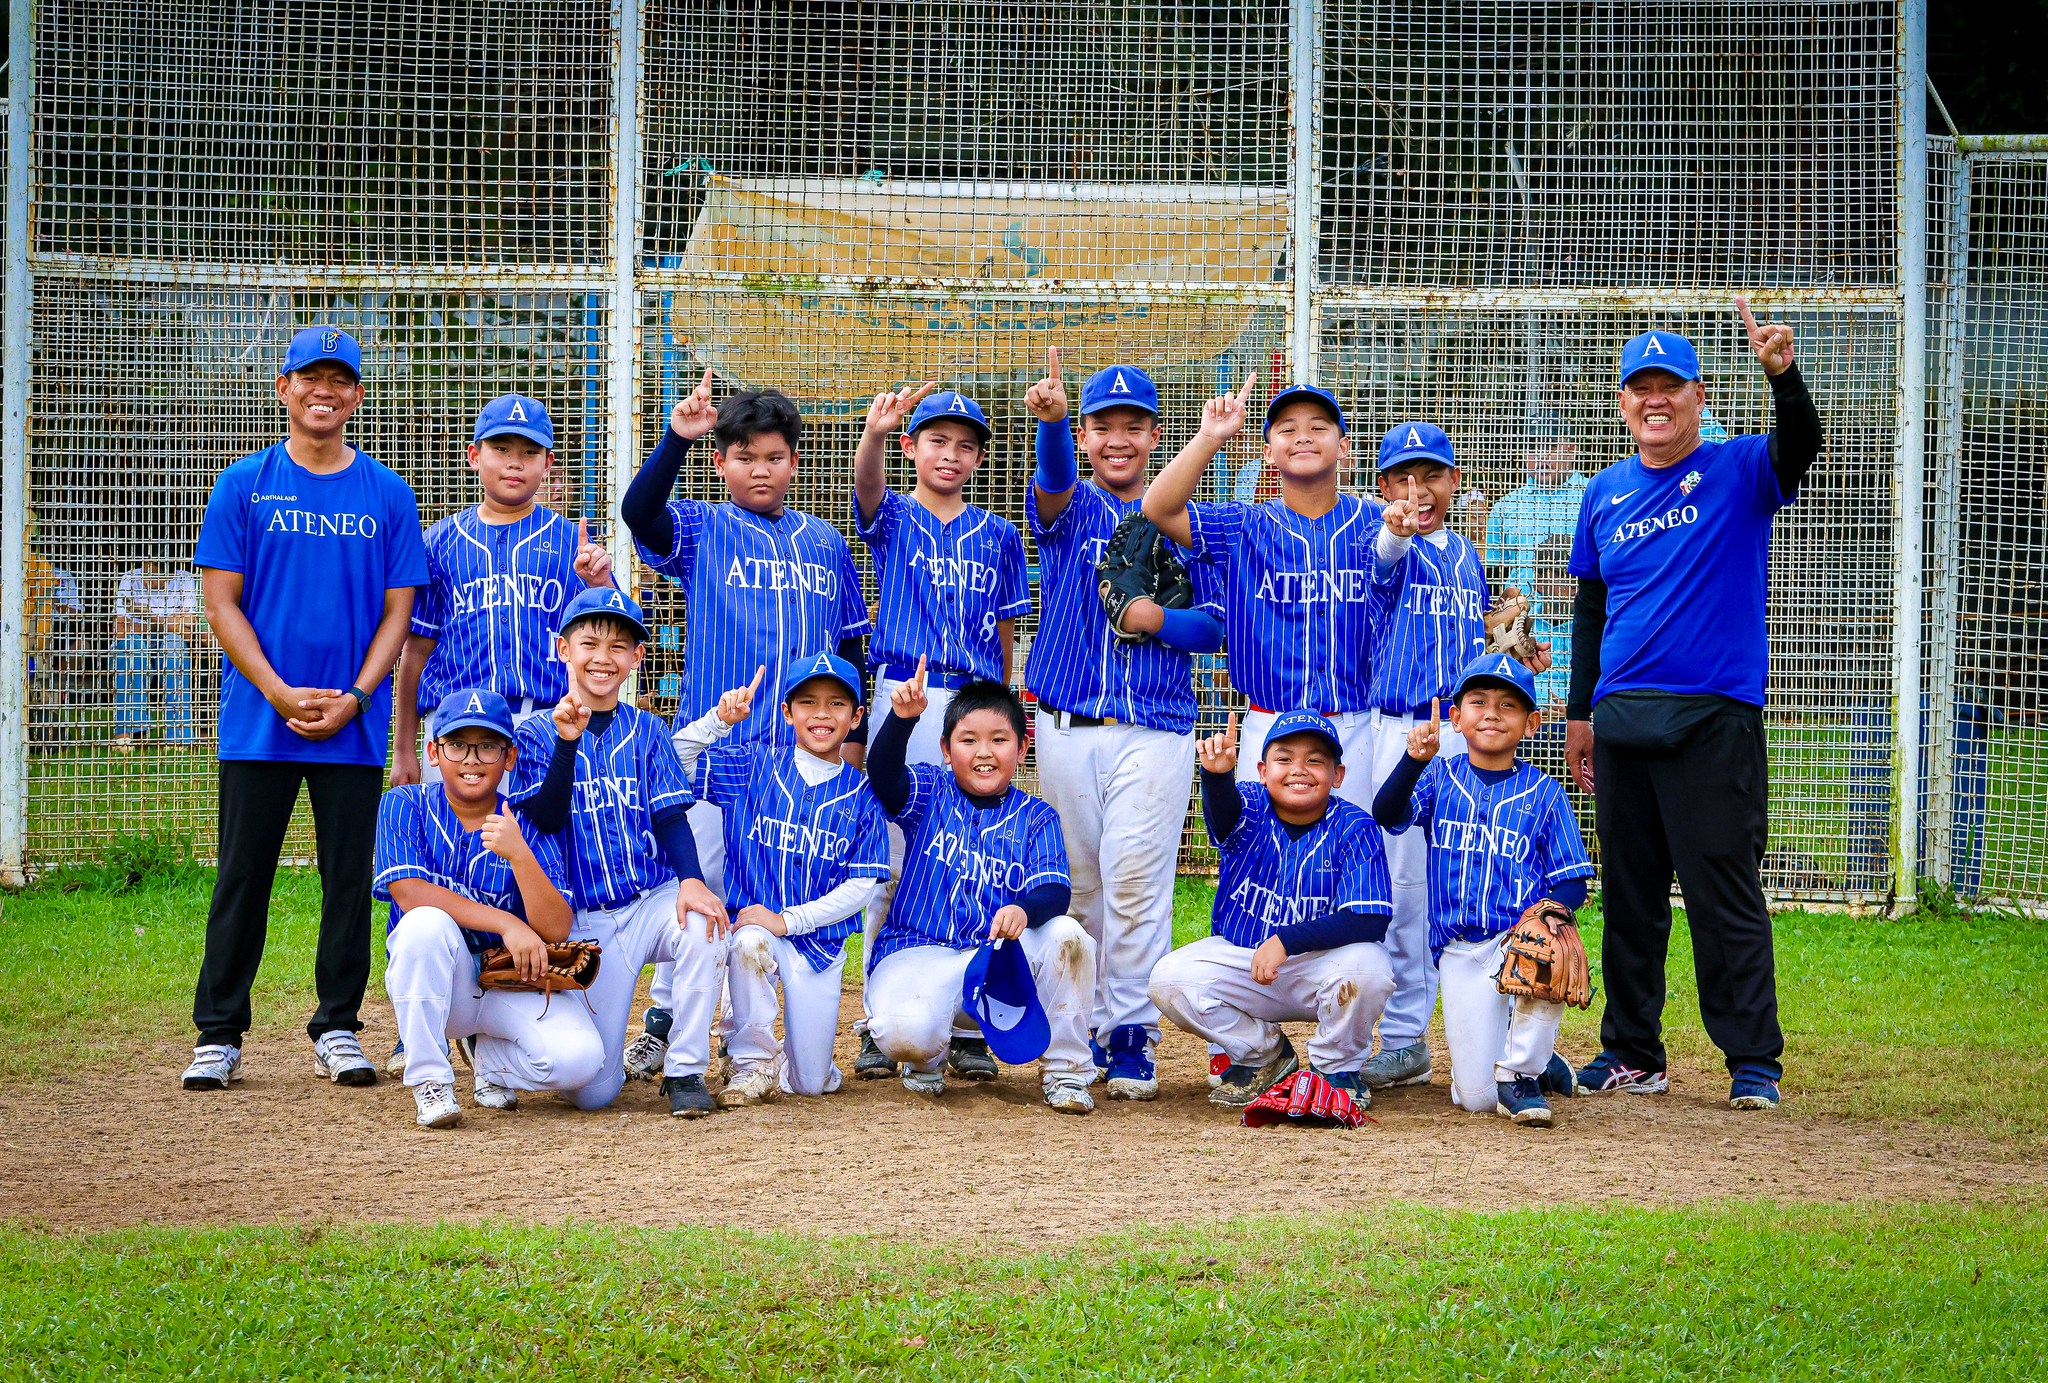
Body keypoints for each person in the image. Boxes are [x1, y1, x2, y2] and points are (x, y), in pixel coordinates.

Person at [1564, 301, 1821, 1111]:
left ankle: (1753, 1060)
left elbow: (1800, 446)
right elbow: (1591, 609)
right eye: (1640, 387)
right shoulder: (1603, 493)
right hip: (1622, 722)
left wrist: (1783, 377)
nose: (1655, 400)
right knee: (1629, 899)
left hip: (1714, 717)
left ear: (1698, 396)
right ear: (1622, 403)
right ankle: (1632, 1051)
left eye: (1670, 386)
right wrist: (1579, 714)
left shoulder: (1739, 468)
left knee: (1722, 893)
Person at [182, 327, 427, 1093]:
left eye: (340, 379)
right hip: (261, 720)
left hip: (352, 725)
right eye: (310, 377)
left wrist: (357, 696)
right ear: (284, 387)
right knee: (242, 876)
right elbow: (220, 604)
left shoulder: (387, 493)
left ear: (357, 395)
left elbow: (399, 611)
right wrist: (277, 690)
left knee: (348, 880)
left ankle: (338, 1026)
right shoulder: (243, 483)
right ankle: (219, 1034)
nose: (325, 391)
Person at [616, 374, 872, 1083]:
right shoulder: (701, 527)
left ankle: (757, 1036)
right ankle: (665, 1023)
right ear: (721, 461)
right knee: (697, 891)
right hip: (717, 748)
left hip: (801, 757)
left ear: (795, 461)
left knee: (772, 895)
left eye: (774, 456)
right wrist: (677, 438)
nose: (761, 469)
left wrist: (851, 746)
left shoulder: (825, 542)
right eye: (745, 456)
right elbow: (640, 513)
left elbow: (851, 647)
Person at [1021, 350, 1224, 1100]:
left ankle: (1131, 1031)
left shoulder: (1188, 516)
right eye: (1102, 425)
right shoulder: (1070, 506)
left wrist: (1154, 618)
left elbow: (1216, 627)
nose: (1118, 439)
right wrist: (1049, 424)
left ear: (1155, 435)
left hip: (1156, 722)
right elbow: (1051, 483)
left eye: (1133, 426)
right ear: (1084, 435)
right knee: (1081, 888)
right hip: (1067, 724)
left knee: (1136, 883)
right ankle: (1079, 1031)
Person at [851, 384, 1031, 1081]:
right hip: (904, 693)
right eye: (936, 441)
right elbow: (867, 487)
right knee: (891, 861)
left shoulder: (999, 534)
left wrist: (1003, 710)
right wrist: (874, 433)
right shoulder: (894, 514)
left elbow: (1007, 629)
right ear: (911, 447)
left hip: (974, 699)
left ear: (979, 457)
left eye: (964, 445)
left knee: (976, 855)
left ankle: (966, 1021)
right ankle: (879, 1016)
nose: (950, 454)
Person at [1358, 420, 1537, 1091]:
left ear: (1454, 481)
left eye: (1432, 474)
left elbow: (1469, 632)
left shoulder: (1465, 553)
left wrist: (1509, 640)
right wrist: (1395, 531)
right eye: (1402, 477)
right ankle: (1406, 1038)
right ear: (1382, 487)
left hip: (1465, 733)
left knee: (1473, 877)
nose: (1418, 489)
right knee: (1404, 889)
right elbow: (1384, 564)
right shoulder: (1383, 540)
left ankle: (1514, 1031)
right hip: (1401, 732)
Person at [504, 586, 730, 1117]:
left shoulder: (649, 730)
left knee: (705, 924)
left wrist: (692, 880)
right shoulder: (533, 733)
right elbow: (547, 817)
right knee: (593, 1093)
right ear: (564, 649)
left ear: (637, 657)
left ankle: (685, 1070)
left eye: (618, 646)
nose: (603, 657)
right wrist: (566, 743)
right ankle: (491, 1049)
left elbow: (669, 816)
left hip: (647, 900)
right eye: (589, 643)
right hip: (583, 921)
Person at [863, 661, 1098, 1113]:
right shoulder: (931, 790)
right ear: (946, 750)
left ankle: (1067, 1070)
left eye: (999, 740)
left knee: (1069, 936)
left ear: (1022, 748)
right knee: (905, 1032)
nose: (984, 752)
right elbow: (884, 774)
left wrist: (1025, 910)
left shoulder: (1037, 817)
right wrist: (902, 719)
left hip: (997, 962)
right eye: (968, 740)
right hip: (920, 951)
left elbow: (1056, 891)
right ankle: (926, 1059)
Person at [1371, 655, 1595, 1127]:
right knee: (1475, 1097)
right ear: (1456, 717)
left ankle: (1522, 1071)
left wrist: (1549, 917)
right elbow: (1387, 814)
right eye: (1479, 701)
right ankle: (1539, 1061)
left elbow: (1573, 880)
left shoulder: (1546, 793)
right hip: (1458, 949)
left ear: (1531, 724)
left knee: (1548, 949)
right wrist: (1414, 760)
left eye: (1508, 705)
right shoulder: (1439, 776)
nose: (1492, 713)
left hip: (1516, 939)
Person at [1141, 378, 1385, 810]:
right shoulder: (1243, 525)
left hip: (1356, 726)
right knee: (1262, 848)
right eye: (1288, 429)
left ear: (1343, 447)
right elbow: (1158, 507)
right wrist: (1210, 437)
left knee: (1355, 845)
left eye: (1319, 427)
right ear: (1268, 452)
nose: (1303, 436)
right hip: (1269, 724)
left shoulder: (1378, 522)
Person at [669, 654, 889, 1105]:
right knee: (749, 944)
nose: (822, 714)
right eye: (808, 702)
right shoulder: (754, 765)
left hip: (819, 944)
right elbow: (672, 762)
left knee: (810, 1084)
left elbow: (861, 888)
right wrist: (718, 721)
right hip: (756, 930)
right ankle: (751, 1060)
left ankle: (765, 1042)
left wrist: (788, 921)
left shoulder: (863, 795)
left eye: (836, 703)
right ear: (787, 712)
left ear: (856, 717)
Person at [1150, 709, 1396, 1108]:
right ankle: (1265, 1056)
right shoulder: (1249, 803)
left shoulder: (1356, 826)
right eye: (1284, 759)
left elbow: (1370, 918)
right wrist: (1216, 777)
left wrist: (1285, 941)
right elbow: (1224, 818)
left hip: (1319, 968)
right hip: (1245, 963)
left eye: (1314, 760)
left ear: (1338, 775)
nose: (1299, 769)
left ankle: (1335, 1069)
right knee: (1170, 978)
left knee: (1369, 967)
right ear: (1263, 771)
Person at [377, 689, 598, 1129]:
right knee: (424, 925)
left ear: (510, 757)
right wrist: (507, 923)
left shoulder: (527, 821)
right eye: (458, 744)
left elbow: (556, 927)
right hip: (439, 988)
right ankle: (430, 1080)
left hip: (506, 985)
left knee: (581, 1062)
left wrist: (519, 855)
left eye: (488, 746)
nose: (472, 759)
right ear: (434, 752)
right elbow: (410, 893)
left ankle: (490, 1061)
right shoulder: (406, 803)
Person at [393, 393, 615, 787]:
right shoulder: (438, 543)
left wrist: (600, 584)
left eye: (530, 452)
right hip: (455, 726)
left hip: (548, 720)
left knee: (545, 828)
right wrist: (404, 749)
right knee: (456, 828)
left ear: (548, 463)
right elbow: (416, 651)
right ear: (474, 456)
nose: (515, 462)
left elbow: (614, 640)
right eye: (501, 448)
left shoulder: (571, 542)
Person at [1485, 410, 1586, 595]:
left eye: (1551, 445)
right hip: (1521, 612)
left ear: (1572, 450)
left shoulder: (1594, 496)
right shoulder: (1506, 506)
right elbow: (1493, 574)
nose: (1541, 455)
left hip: (1581, 611)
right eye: (1533, 447)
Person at [112, 560, 200, 751]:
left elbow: (188, 632)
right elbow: (120, 630)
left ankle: (178, 736)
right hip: (137, 643)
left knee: (174, 644)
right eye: (144, 570)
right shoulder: (129, 578)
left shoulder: (185, 579)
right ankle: (127, 733)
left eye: (152, 574)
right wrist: (170, 622)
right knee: (132, 646)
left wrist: (149, 616)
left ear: (168, 573)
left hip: (167, 644)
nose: (145, 578)